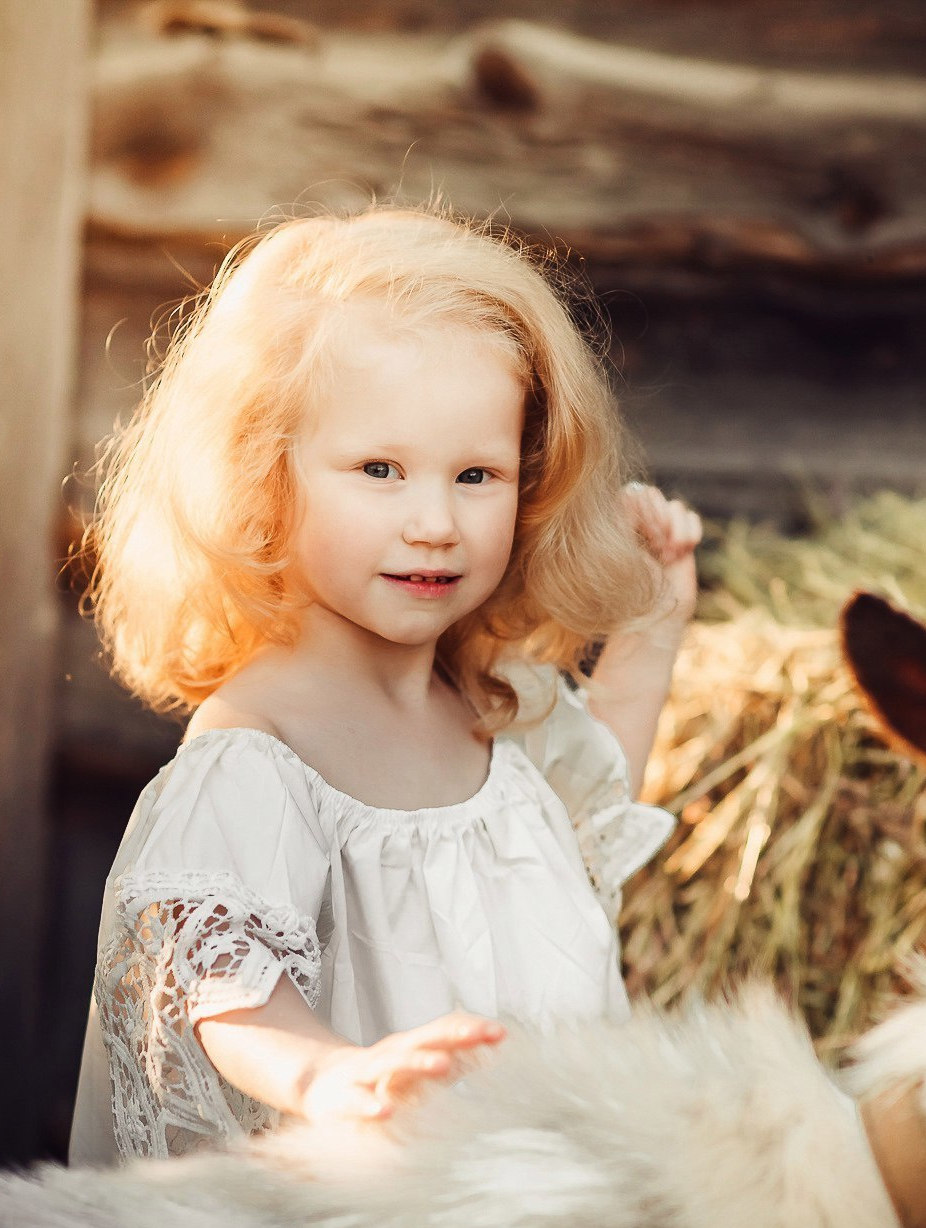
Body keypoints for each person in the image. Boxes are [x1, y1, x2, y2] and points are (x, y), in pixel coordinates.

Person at [66, 208, 702, 1163]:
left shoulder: (494, 703)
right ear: (263, 478)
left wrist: (651, 629)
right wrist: (327, 1075)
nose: (436, 520)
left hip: (524, 1211)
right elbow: (211, 976)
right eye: (381, 469)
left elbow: (586, 814)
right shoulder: (260, 747)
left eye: (476, 474)